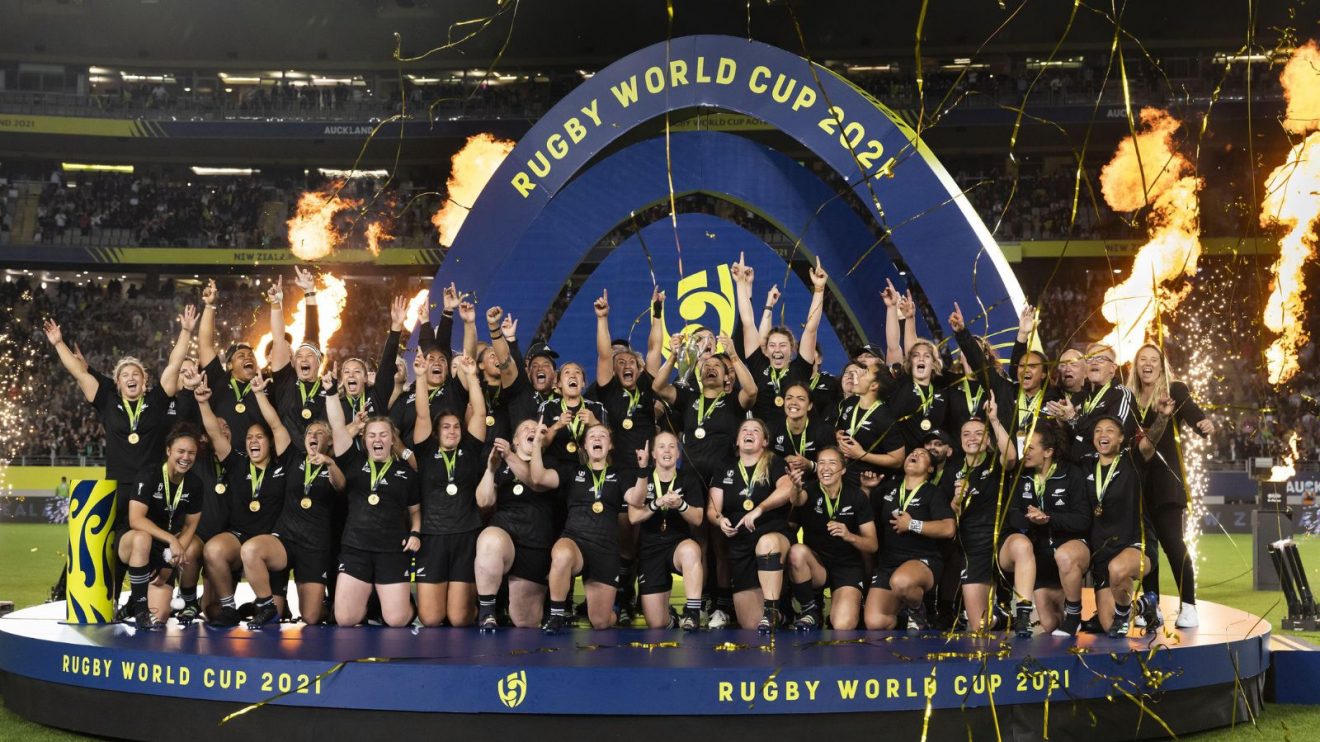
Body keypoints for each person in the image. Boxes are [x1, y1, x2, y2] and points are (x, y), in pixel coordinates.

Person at [43, 307, 194, 534]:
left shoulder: (157, 399)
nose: (130, 377)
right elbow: (79, 373)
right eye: (125, 375)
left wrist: (185, 331)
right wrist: (58, 344)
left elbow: (174, 365)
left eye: (136, 374)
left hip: (153, 485)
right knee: (110, 547)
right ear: (118, 382)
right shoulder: (107, 401)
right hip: (118, 486)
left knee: (148, 544)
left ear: (144, 381)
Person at [195, 370, 293, 628]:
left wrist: (259, 393)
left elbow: (276, 426)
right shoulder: (238, 462)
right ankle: (229, 607)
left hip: (274, 541)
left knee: (280, 612)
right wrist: (204, 402)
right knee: (213, 549)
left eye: (259, 437)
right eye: (249, 438)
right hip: (239, 537)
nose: (253, 441)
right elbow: (215, 435)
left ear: (270, 444)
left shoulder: (281, 464)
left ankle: (266, 607)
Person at [1131, 343, 1213, 628]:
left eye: (1154, 359)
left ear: (1162, 365)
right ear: (1136, 365)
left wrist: (1201, 422)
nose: (1148, 363)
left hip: (1167, 484)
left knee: (1173, 545)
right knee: (1145, 550)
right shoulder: (1129, 397)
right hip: (1137, 484)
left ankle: (1188, 605)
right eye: (1143, 359)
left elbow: (1190, 410)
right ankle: (1151, 605)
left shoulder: (1173, 389)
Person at [237, 421, 345, 626]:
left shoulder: (335, 464)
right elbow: (276, 426)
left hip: (314, 546)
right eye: (309, 433)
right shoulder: (293, 458)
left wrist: (329, 462)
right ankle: (267, 604)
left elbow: (340, 486)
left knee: (311, 617)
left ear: (330, 440)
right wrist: (259, 391)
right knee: (250, 550)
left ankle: (329, 606)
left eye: (319, 433)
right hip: (285, 539)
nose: (313, 435)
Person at [326, 403, 421, 628]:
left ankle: (403, 603)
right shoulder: (353, 461)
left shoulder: (406, 474)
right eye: (371, 435)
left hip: (391, 550)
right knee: (345, 619)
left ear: (391, 440)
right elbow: (338, 428)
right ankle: (368, 602)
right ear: (364, 439)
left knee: (396, 621)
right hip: (356, 548)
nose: (377, 439)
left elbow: (415, 511)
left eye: (383, 435)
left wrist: (416, 532)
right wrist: (331, 393)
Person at [531, 423, 632, 632]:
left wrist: (642, 472)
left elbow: (636, 500)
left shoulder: (620, 474)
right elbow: (539, 478)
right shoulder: (572, 471)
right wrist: (537, 446)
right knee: (561, 554)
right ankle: (557, 615)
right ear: (584, 445)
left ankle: (615, 608)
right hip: (575, 540)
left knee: (601, 622)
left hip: (605, 549)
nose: (597, 439)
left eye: (603, 436)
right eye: (592, 436)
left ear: (610, 445)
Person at [411, 354, 488, 627]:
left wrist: (471, 376)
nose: (452, 431)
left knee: (458, 619)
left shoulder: (470, 449)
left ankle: (482, 607)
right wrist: (419, 377)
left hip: (466, 534)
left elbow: (479, 413)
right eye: (446, 427)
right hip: (432, 536)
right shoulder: (425, 449)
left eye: (456, 427)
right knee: (430, 619)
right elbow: (422, 413)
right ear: (436, 432)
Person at [1088, 402, 1175, 638]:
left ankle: (1129, 610)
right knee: (1108, 625)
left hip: (1137, 544)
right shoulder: (1086, 467)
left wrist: (1162, 418)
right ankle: (1146, 605)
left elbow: (1150, 442)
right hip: (1102, 554)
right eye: (1098, 430)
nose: (1103, 435)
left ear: (1121, 439)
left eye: (1109, 431)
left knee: (1118, 569)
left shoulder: (1132, 460)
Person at [708, 419, 800, 632]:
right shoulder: (725, 467)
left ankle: (772, 608)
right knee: (750, 624)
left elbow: (787, 490)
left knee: (766, 543)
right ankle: (783, 613)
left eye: (756, 430)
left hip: (773, 533)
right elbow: (712, 508)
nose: (749, 433)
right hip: (740, 543)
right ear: (738, 440)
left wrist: (760, 508)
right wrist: (720, 520)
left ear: (765, 441)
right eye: (744, 430)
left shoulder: (774, 462)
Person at [1001, 421, 1090, 636]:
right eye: (1024, 447)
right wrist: (1030, 519)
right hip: (1039, 558)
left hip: (1069, 551)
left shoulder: (1071, 474)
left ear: (1048, 451)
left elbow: (1083, 520)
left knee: (1064, 556)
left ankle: (1075, 615)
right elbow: (1011, 514)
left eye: (1031, 448)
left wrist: (1049, 519)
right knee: (1050, 624)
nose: (1025, 453)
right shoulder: (1021, 475)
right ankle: (1057, 614)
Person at [118, 426, 205, 628]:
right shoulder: (149, 474)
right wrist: (172, 540)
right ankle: (140, 610)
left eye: (191, 453)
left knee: (160, 617)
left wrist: (169, 563)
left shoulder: (195, 484)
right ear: (168, 451)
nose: (186, 457)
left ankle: (134, 602)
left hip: (162, 552)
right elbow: (136, 520)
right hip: (133, 543)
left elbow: (191, 526)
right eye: (180, 451)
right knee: (142, 538)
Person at [474, 420, 555, 631]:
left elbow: (535, 482)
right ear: (515, 441)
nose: (532, 431)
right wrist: (491, 470)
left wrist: (509, 455)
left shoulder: (551, 464)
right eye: (525, 429)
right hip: (506, 538)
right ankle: (487, 612)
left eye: (536, 429)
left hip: (536, 545)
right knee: (489, 539)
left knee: (525, 621)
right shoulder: (501, 467)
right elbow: (483, 502)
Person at [864, 448, 955, 630]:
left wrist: (913, 524)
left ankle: (920, 608)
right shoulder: (888, 488)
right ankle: (907, 617)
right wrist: (866, 489)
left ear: (930, 469)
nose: (915, 454)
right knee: (875, 622)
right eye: (913, 452)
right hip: (888, 562)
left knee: (902, 582)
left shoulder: (933, 492)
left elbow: (948, 528)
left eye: (922, 454)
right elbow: (865, 517)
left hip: (921, 560)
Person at [787, 447, 878, 630]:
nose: (825, 468)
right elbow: (797, 500)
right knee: (796, 552)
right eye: (821, 463)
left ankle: (849, 605)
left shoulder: (856, 495)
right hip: (817, 566)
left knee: (843, 626)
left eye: (832, 463)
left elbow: (872, 545)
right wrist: (796, 487)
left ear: (843, 469)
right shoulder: (808, 490)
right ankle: (810, 610)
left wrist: (849, 536)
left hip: (847, 568)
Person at [731, 254, 827, 423]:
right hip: (762, 440)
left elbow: (811, 328)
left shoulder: (800, 368)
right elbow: (748, 322)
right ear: (766, 350)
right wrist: (740, 283)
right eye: (772, 345)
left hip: (792, 438)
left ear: (792, 349)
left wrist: (819, 290)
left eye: (783, 345)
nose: (777, 349)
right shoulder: (758, 364)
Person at [948, 399, 1017, 633]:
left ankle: (1020, 607)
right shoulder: (952, 469)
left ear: (988, 439)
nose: (972, 438)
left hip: (999, 541)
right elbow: (951, 511)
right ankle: (1001, 618)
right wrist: (958, 498)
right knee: (979, 626)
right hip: (972, 548)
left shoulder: (995, 463)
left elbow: (1010, 457)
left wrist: (995, 421)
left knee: (1022, 546)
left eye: (979, 433)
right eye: (966, 434)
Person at [628, 431, 706, 630]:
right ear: (653, 453)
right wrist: (657, 503)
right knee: (656, 624)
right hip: (650, 550)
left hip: (677, 545)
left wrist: (680, 505)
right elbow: (633, 517)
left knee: (690, 550)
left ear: (678, 454)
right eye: (661, 446)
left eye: (672, 446)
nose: (667, 450)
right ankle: (672, 618)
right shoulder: (643, 478)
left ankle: (692, 612)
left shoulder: (688, 479)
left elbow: (697, 519)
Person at [767, 382, 835, 483]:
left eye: (801, 399)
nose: (793, 402)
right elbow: (763, 461)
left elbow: (834, 467)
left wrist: (811, 465)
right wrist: (781, 463)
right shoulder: (771, 428)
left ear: (810, 406)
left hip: (815, 484)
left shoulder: (824, 431)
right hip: (782, 482)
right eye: (789, 398)